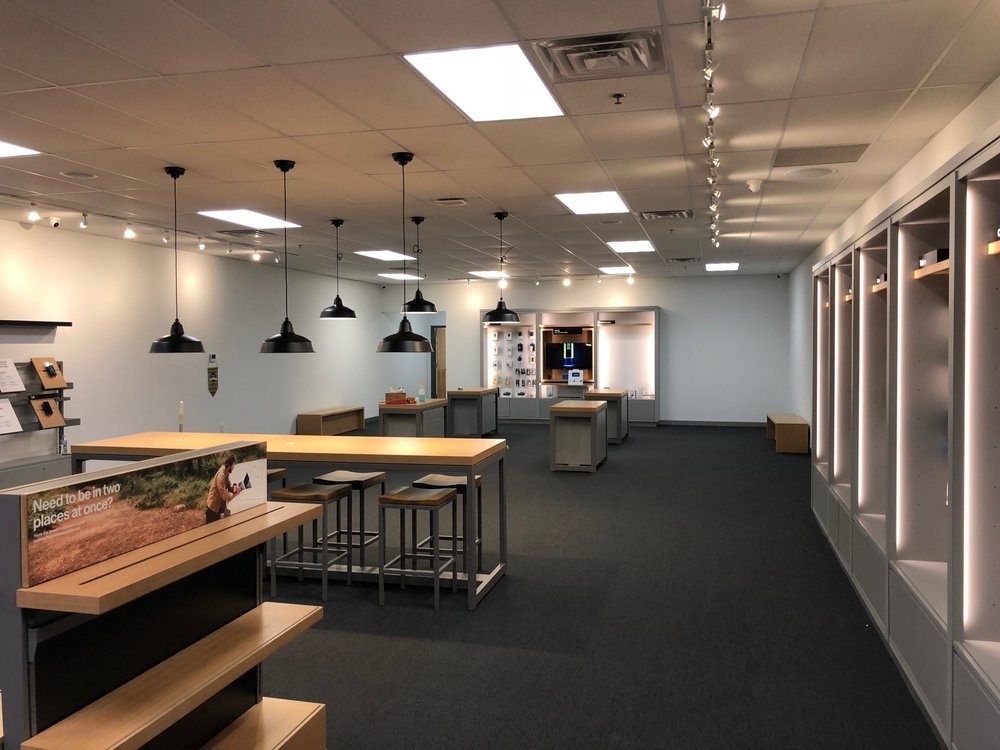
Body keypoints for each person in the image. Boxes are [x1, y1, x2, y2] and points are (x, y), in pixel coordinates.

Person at [206, 453, 242, 523]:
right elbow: (224, 496)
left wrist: (234, 488)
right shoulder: (221, 475)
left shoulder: (226, 472)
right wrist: (235, 494)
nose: (233, 467)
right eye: (233, 465)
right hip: (213, 509)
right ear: (229, 465)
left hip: (218, 507)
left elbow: (228, 486)